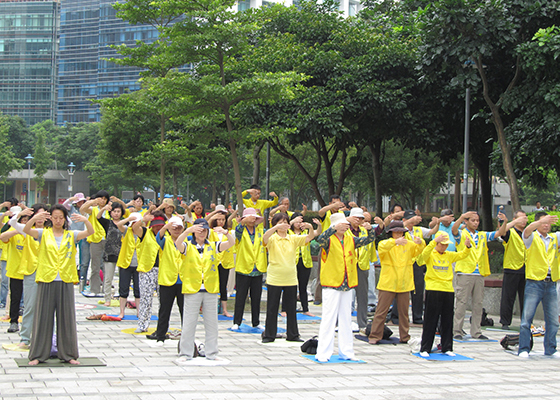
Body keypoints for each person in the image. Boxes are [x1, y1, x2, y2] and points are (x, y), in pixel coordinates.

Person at [23, 204, 94, 365]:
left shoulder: (71, 234)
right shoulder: (43, 233)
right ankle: (38, 355)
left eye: (61, 217)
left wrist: (86, 220)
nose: (58, 220)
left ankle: (68, 354)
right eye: (55, 217)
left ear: (65, 219)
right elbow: (27, 230)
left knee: (66, 318)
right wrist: (33, 219)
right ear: (50, 218)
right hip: (47, 279)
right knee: (43, 318)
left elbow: (90, 232)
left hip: (65, 279)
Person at [314, 213, 377, 362]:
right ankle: (323, 352)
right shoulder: (328, 240)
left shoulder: (351, 239)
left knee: (346, 319)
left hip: (347, 284)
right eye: (341, 224)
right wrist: (333, 229)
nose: (345, 226)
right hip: (332, 284)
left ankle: (347, 352)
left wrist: (370, 230)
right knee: (329, 319)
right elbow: (319, 239)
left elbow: (368, 240)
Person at [175, 218, 234, 363]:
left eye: (204, 230)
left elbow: (231, 243)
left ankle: (212, 352)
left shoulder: (213, 245)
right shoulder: (188, 246)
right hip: (192, 288)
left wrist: (225, 232)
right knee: (189, 322)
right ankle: (185, 353)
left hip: (210, 288)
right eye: (199, 230)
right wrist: (187, 231)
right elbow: (177, 244)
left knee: (211, 323)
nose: (202, 233)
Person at [451, 210, 508, 340]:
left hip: (479, 272)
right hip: (465, 272)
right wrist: (461, 217)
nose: (476, 223)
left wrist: (504, 222)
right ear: (466, 221)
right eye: (473, 220)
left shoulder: (482, 235)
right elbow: (454, 229)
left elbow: (499, 233)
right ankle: (457, 330)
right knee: (461, 302)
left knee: (478, 303)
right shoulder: (461, 233)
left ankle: (476, 331)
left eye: (477, 221)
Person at [261, 213, 316, 343]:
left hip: (291, 277)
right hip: (275, 277)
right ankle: (269, 335)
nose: (283, 224)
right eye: (280, 222)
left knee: (291, 308)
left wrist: (311, 227)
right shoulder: (273, 238)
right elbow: (265, 237)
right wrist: (276, 227)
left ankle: (293, 334)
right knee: (272, 307)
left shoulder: (292, 238)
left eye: (285, 222)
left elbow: (309, 237)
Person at [415, 232, 471, 357]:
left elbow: (462, 255)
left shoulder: (449, 255)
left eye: (446, 245)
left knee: (447, 320)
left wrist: (467, 247)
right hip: (433, 288)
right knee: (430, 320)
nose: (445, 247)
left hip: (448, 290)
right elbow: (422, 258)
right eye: (442, 244)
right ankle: (425, 348)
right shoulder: (430, 253)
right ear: (437, 243)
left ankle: (447, 347)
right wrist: (433, 242)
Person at [368, 221, 424, 345]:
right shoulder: (385, 243)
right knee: (381, 311)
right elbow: (382, 248)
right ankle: (375, 335)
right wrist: (395, 242)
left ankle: (405, 336)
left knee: (404, 313)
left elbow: (418, 251)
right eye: (396, 232)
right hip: (388, 283)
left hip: (404, 282)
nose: (398, 234)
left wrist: (421, 243)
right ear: (391, 233)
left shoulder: (409, 245)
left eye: (400, 232)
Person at [518, 212, 560, 358]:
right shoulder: (532, 237)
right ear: (537, 223)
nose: (547, 225)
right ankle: (524, 348)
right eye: (544, 222)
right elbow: (527, 231)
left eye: (549, 222)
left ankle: (550, 349)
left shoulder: (554, 237)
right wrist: (539, 222)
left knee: (553, 320)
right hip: (534, 282)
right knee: (526, 319)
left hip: (551, 283)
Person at [7, 204, 47, 350]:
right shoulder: (27, 231)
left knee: (47, 307)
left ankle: (46, 337)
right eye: (37, 215)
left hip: (48, 272)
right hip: (31, 271)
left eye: (43, 215)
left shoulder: (50, 232)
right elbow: (12, 224)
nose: (40, 218)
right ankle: (25, 337)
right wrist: (19, 214)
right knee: (30, 306)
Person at [346, 208, 384, 334]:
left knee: (362, 297)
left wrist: (377, 226)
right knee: (344, 295)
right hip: (346, 265)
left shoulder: (365, 230)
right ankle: (342, 322)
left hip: (362, 265)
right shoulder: (344, 229)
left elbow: (377, 232)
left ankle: (362, 323)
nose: (358, 220)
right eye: (355, 217)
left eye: (360, 218)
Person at [232, 208, 266, 331]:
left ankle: (256, 322)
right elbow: (237, 231)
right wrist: (243, 221)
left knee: (256, 297)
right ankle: (237, 321)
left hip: (257, 269)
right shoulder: (241, 231)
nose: (253, 220)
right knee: (240, 296)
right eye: (251, 217)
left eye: (254, 217)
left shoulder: (259, 231)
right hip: (244, 268)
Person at [132, 210, 166, 333]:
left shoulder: (166, 236)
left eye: (160, 225)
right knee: (146, 299)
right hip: (147, 270)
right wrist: (143, 219)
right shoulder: (145, 233)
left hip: (163, 270)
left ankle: (162, 326)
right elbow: (135, 228)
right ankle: (142, 324)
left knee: (164, 300)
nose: (158, 227)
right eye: (155, 224)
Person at [0, 208, 31, 333]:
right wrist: (17, 231)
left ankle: (29, 322)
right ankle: (14, 321)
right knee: (15, 297)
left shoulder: (34, 233)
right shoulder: (14, 231)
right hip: (16, 270)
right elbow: (3, 236)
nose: (24, 222)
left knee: (30, 298)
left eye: (27, 220)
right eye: (22, 220)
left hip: (31, 270)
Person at [499, 210, 529, 330]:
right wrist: (512, 222)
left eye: (525, 218)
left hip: (527, 268)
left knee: (525, 297)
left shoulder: (528, 233)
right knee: (508, 296)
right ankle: (505, 322)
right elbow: (502, 232)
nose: (523, 221)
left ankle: (526, 321)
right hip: (512, 268)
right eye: (520, 218)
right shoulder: (510, 232)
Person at [288, 212, 322, 316]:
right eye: (297, 222)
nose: (299, 224)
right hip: (292, 262)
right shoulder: (288, 232)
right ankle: (287, 308)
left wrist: (317, 225)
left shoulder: (306, 232)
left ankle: (305, 309)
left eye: (301, 222)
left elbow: (317, 233)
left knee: (303, 287)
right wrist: (292, 221)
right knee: (290, 287)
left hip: (305, 262)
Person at [80, 190, 111, 295]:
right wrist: (92, 201)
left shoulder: (109, 210)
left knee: (107, 266)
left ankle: (106, 290)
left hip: (107, 240)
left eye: (104, 199)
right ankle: (95, 289)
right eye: (101, 198)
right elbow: (82, 209)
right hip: (95, 240)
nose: (102, 201)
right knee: (95, 266)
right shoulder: (93, 210)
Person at [208, 206, 235, 317]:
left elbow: (232, 241)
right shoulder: (209, 232)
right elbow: (204, 222)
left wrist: (225, 232)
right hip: (212, 262)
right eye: (218, 219)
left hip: (224, 262)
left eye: (223, 220)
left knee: (223, 286)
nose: (220, 222)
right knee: (211, 285)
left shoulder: (229, 232)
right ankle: (210, 309)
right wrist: (214, 213)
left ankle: (224, 309)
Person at [96, 202, 125, 306]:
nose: (116, 214)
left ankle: (122, 298)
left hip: (122, 254)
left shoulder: (125, 223)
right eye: (114, 211)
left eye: (118, 211)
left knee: (123, 278)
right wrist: (104, 208)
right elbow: (98, 217)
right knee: (108, 278)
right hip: (109, 253)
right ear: (111, 212)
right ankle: (107, 298)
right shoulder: (107, 223)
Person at [115, 213, 141, 319]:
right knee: (123, 288)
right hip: (125, 263)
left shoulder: (143, 232)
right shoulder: (127, 231)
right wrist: (128, 219)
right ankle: (122, 311)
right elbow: (119, 225)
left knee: (138, 290)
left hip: (139, 265)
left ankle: (139, 311)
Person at [62, 193, 89, 284]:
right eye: (78, 201)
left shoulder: (86, 210)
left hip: (83, 234)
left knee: (84, 258)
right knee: (70, 255)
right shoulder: (71, 209)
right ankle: (70, 275)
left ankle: (82, 279)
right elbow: (63, 205)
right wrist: (70, 199)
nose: (80, 203)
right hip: (72, 234)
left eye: (82, 201)